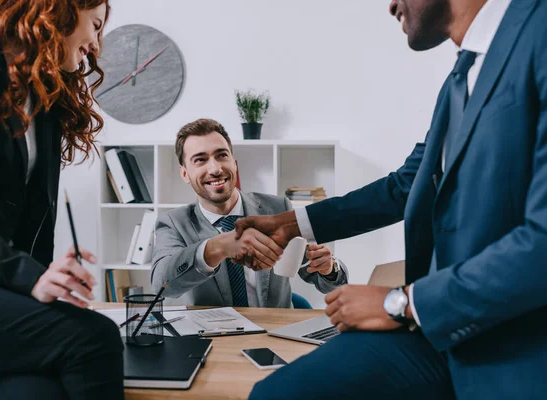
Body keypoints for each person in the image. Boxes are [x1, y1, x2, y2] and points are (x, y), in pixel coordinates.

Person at [241, 0, 547, 398]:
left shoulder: (538, 31)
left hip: (517, 340)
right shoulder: (462, 76)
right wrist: (287, 225)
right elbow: (406, 184)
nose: (391, 6)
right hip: (441, 334)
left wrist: (401, 304)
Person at [0, 1, 125, 399]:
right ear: (58, 10)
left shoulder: (44, 98)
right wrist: (29, 279)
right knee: (94, 337)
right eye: (95, 26)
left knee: (35, 390)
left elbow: (34, 219)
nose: (96, 45)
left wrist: (50, 281)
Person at [151, 119, 348, 307]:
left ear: (234, 163)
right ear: (185, 173)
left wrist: (328, 269)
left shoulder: (278, 208)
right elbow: (161, 284)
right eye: (200, 160)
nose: (216, 169)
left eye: (222, 155)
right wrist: (217, 247)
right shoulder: (173, 223)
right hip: (212, 337)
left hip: (273, 331)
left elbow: (325, 280)